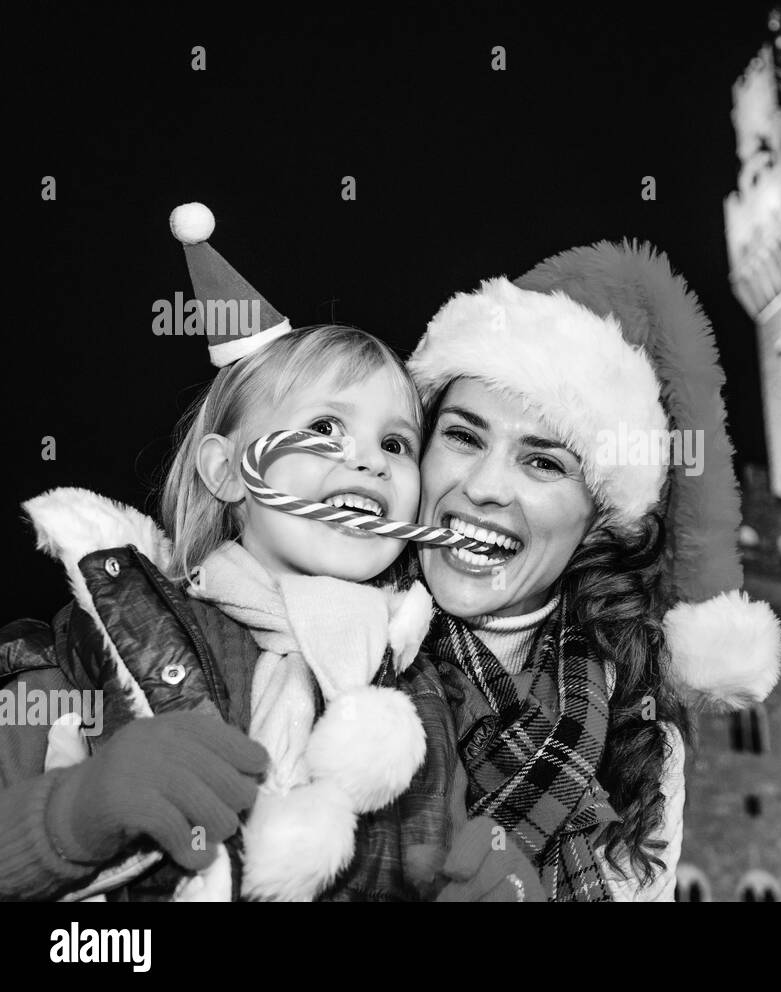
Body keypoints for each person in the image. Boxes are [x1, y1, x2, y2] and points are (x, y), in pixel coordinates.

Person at [0, 204, 540, 902]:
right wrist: (78, 810)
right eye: (323, 427)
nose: (369, 463)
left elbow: (456, 856)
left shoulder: (414, 693)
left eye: (396, 444)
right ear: (228, 473)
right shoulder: (101, 636)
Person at [404, 240, 781, 901]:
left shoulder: (642, 743)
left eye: (543, 463)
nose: (486, 486)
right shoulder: (335, 634)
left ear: (599, 518)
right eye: (464, 436)